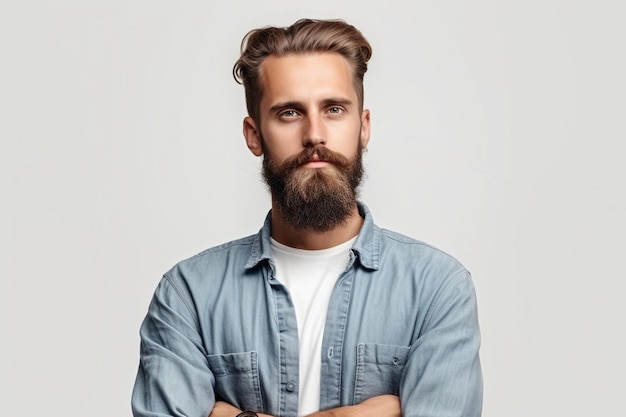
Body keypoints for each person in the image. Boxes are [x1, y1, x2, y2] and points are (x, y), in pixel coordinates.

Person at [131, 18, 483, 417]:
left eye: (334, 109)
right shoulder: (189, 295)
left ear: (363, 127)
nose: (315, 134)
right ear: (253, 134)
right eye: (289, 113)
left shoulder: (436, 289)